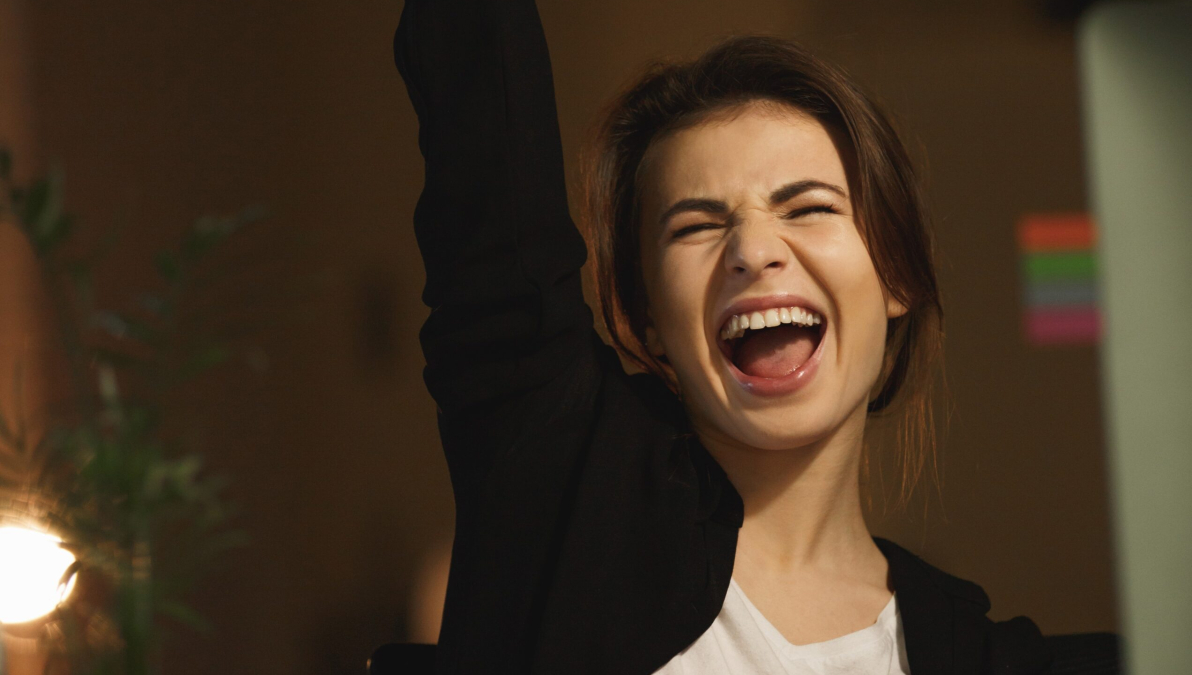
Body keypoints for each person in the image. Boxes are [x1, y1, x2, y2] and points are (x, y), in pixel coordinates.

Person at [393, 0, 1052, 672]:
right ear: (646, 316)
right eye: (696, 226)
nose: (753, 249)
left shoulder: (986, 654)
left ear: (896, 274)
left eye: (809, 207)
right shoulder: (573, 512)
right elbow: (485, 129)